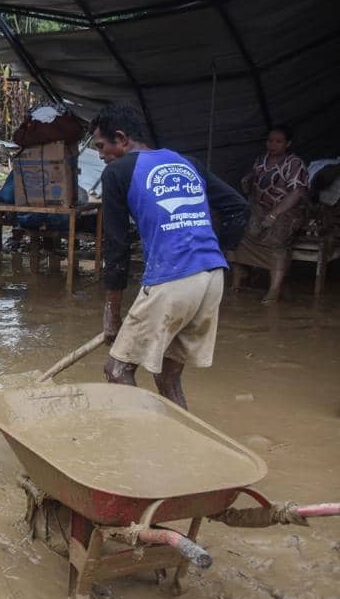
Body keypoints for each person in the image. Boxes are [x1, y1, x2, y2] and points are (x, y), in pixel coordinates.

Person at [91, 103, 248, 409]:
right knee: (168, 374)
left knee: (117, 370)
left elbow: (116, 245)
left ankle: (144, 448)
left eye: (101, 146)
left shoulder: (117, 171)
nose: (100, 155)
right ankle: (183, 447)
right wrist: (215, 249)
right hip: (212, 277)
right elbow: (238, 207)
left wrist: (112, 312)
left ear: (121, 139)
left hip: (173, 279)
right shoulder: (186, 162)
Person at [229, 125, 310, 302]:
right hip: (261, 208)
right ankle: (239, 279)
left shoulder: (294, 164)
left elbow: (296, 193)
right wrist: (248, 179)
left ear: (288, 144)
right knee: (240, 229)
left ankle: (274, 288)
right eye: (270, 140)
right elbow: (253, 179)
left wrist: (274, 214)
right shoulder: (260, 160)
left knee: (277, 238)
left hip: (289, 211)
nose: (273, 145)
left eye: (278, 141)